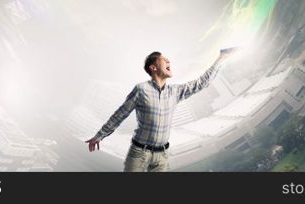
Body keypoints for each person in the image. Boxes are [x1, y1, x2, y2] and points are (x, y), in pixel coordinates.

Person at [85, 49, 236, 171]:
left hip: (162, 156)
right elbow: (120, 114)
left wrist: (221, 58)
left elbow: (202, 83)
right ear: (153, 67)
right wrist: (100, 135)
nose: (169, 61)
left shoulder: (175, 92)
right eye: (164, 60)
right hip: (139, 154)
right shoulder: (141, 90)